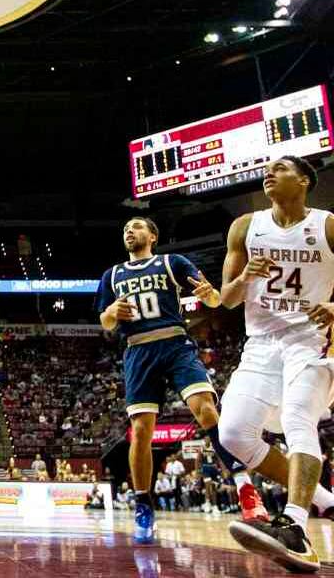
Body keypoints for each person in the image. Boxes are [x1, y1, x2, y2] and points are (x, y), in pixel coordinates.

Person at [95, 216, 259, 545]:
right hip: (138, 351)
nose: (129, 231)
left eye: (137, 226)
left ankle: (244, 487)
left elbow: (213, 300)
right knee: (141, 431)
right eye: (125, 227)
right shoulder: (112, 275)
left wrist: (211, 293)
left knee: (207, 411)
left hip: (175, 344)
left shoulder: (172, 262)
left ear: (152, 236)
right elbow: (105, 322)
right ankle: (143, 503)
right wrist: (113, 311)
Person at [219, 157, 334, 572]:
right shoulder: (246, 227)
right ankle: (324, 501)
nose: (268, 173)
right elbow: (225, 299)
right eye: (265, 169)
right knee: (233, 433)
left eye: (281, 168)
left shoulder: (327, 226)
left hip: (312, 341)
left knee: (298, 418)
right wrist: (245, 277)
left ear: (303, 180)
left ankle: (295, 527)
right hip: (261, 344)